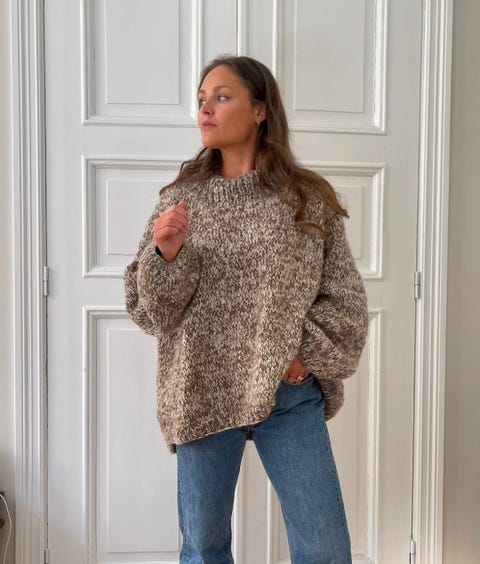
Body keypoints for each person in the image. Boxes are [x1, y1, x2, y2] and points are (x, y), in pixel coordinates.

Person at [124, 54, 369, 564]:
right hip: (201, 388)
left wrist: (301, 356)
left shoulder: (305, 199)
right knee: (204, 548)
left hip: (287, 392)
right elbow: (152, 313)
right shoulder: (181, 199)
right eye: (201, 100)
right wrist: (165, 255)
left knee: (324, 548)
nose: (205, 109)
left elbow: (344, 298)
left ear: (260, 110)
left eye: (221, 97)